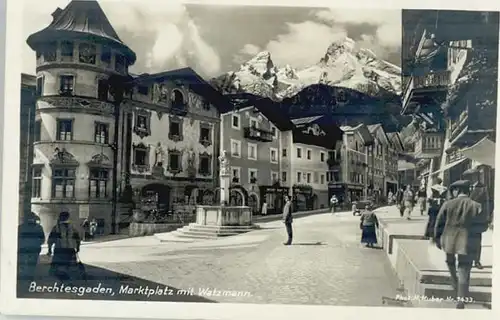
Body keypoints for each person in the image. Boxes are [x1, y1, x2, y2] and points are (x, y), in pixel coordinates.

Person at [433, 180, 489, 309]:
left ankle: (456, 286)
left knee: (450, 262)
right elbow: (483, 226)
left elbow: (439, 222)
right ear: (468, 191)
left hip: (449, 239)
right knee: (464, 268)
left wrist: (437, 238)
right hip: (467, 241)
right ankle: (461, 298)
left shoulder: (448, 204)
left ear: (456, 191)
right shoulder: (476, 206)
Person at [466, 170, 491, 270]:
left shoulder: (482, 188)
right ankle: (468, 259)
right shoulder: (465, 187)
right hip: (466, 219)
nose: (471, 178)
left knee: (476, 241)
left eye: (473, 176)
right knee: (467, 241)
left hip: (477, 220)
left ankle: (476, 261)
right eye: (469, 176)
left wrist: (487, 217)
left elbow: (487, 204)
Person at [47, 211, 82, 282]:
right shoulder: (73, 227)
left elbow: (51, 240)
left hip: (59, 249)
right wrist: (78, 247)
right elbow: (77, 238)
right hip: (70, 249)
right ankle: (68, 280)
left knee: (59, 266)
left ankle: (64, 280)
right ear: (68, 217)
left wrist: (49, 249)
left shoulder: (56, 228)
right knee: (69, 265)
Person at [17, 212, 45, 282]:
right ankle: (30, 276)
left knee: (23, 262)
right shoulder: (39, 227)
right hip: (34, 248)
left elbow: (17, 238)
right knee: (32, 263)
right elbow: (42, 239)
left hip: (23, 248)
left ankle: (23, 275)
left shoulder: (20, 227)